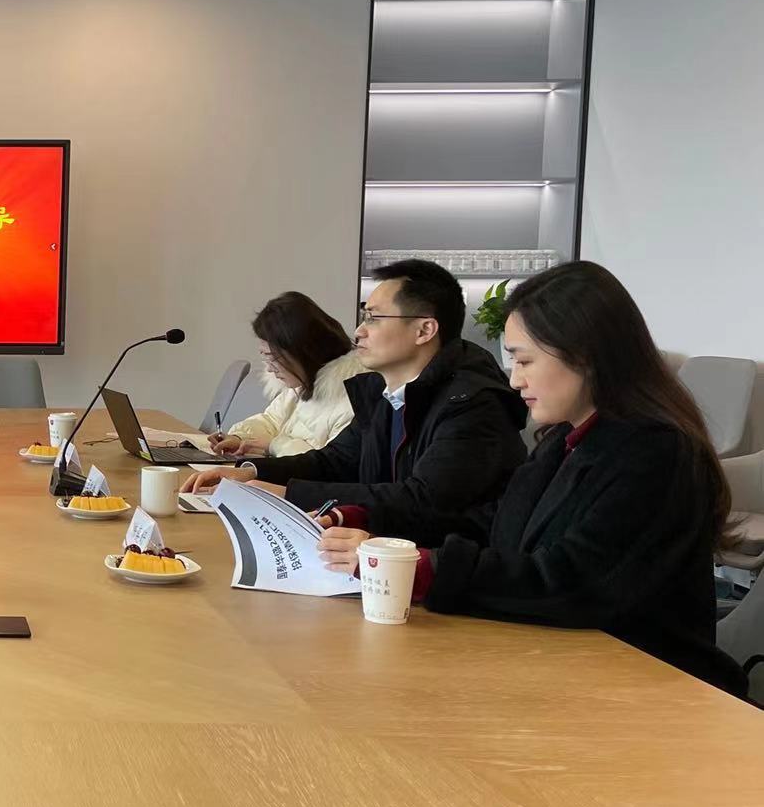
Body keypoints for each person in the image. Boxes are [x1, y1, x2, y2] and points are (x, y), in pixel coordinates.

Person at [315, 262, 747, 696]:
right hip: (569, 666)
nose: (515, 379)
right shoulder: (564, 439)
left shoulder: (656, 453)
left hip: (649, 687)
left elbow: (571, 581)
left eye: (524, 361)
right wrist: (376, 526)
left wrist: (425, 569)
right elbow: (497, 522)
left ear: (585, 356)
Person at [182, 259, 527, 522]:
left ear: (424, 330)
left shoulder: (473, 405)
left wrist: (287, 494)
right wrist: (250, 472)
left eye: (374, 318)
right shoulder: (384, 391)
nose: (359, 331)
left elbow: (422, 500)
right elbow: (336, 461)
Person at [207, 292, 368, 458]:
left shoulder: (351, 403)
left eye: (272, 357)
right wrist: (240, 438)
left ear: (301, 351)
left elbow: (325, 464)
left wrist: (274, 445)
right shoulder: (302, 384)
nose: (270, 369)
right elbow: (271, 421)